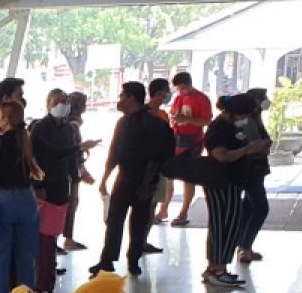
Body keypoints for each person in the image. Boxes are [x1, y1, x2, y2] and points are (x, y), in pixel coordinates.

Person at [90, 82, 175, 278]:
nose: (119, 100)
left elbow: (155, 157)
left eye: (122, 96)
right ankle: (107, 260)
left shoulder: (152, 123)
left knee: (139, 221)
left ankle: (133, 258)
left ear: (132, 98)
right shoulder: (123, 122)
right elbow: (114, 153)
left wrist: (147, 185)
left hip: (144, 180)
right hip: (124, 177)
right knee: (114, 220)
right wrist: (104, 179)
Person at [200, 94, 269, 288]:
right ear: (235, 113)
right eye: (244, 115)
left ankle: (217, 267)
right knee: (222, 225)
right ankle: (216, 269)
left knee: (229, 224)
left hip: (233, 182)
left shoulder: (232, 125)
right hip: (220, 183)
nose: (245, 119)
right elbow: (220, 155)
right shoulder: (219, 128)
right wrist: (246, 150)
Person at [0, 100, 42, 293]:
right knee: (26, 256)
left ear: (5, 119)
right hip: (28, 200)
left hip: (3, 201)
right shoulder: (28, 140)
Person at [29, 89, 80, 293]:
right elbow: (39, 155)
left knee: (52, 235)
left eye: (65, 101)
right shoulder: (40, 128)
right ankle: (41, 280)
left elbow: (70, 160)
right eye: (57, 101)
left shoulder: (68, 129)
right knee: (43, 236)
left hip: (61, 186)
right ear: (48, 103)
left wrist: (74, 184)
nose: (62, 105)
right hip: (44, 186)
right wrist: (38, 186)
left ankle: (47, 276)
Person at [167, 72, 213, 226]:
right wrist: (175, 118)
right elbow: (173, 114)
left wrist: (187, 119)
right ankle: (164, 208)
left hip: (193, 142)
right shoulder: (179, 97)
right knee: (169, 175)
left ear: (188, 84)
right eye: (178, 88)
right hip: (176, 139)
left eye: (182, 87)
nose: (180, 90)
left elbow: (207, 120)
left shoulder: (202, 99)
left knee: (189, 178)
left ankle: (184, 211)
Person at [237, 88, 272, 263]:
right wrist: (262, 144)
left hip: (255, 168)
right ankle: (244, 246)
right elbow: (257, 143)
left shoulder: (255, 116)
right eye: (263, 99)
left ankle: (244, 245)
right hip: (249, 168)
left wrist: (265, 143)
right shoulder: (245, 119)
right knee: (260, 207)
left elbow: (265, 139)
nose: (266, 102)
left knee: (249, 207)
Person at [141, 78, 173, 254]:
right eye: (166, 91)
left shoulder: (162, 115)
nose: (168, 95)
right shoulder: (146, 114)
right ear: (160, 92)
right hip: (147, 167)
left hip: (160, 166)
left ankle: (143, 240)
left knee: (152, 205)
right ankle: (139, 241)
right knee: (145, 206)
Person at [62, 91, 93, 252]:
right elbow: (75, 150)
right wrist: (82, 170)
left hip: (67, 169)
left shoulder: (66, 122)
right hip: (70, 171)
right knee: (70, 203)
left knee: (69, 203)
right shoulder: (73, 125)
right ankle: (67, 237)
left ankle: (66, 237)